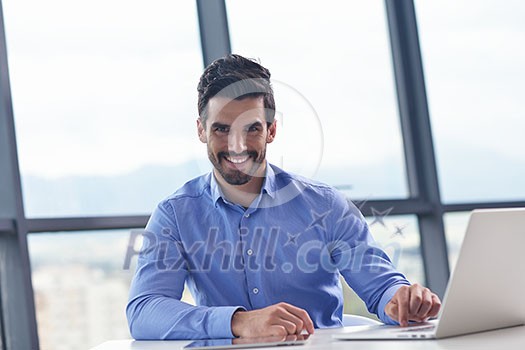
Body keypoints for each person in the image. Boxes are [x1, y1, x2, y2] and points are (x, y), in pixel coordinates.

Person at [126, 54, 441, 340]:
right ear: (201, 130)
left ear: (271, 130)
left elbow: (383, 287)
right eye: (221, 129)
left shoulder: (326, 205)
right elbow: (144, 311)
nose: (237, 145)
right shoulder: (175, 215)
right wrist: (239, 322)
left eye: (251, 129)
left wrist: (403, 299)